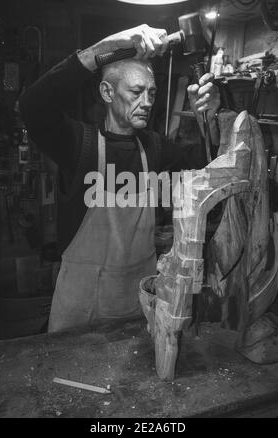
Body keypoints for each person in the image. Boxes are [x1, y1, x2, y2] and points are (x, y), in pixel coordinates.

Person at [19, 24, 221, 332]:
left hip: (135, 305)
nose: (149, 102)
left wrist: (208, 120)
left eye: (152, 93)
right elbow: (33, 107)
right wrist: (100, 51)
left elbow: (205, 172)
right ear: (107, 92)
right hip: (80, 312)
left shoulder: (153, 147)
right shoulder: (78, 143)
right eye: (137, 92)